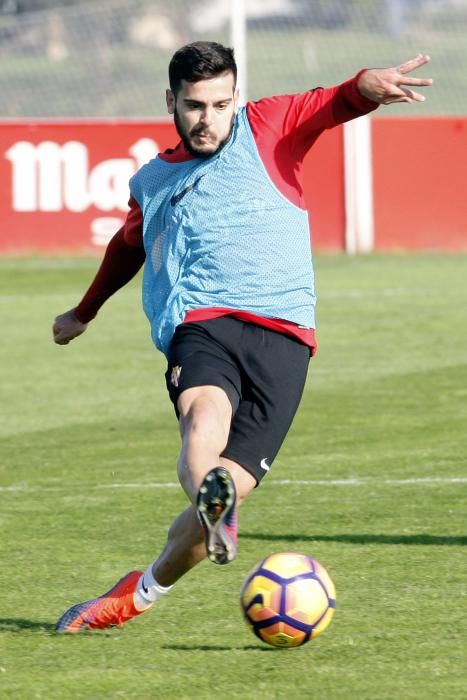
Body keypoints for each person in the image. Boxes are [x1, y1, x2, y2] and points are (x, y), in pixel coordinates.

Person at [53, 42, 432, 633]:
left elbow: (333, 102)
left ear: (238, 99)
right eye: (195, 105)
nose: (208, 119)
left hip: (285, 341)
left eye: (221, 104)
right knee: (203, 414)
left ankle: (141, 590)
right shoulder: (153, 180)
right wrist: (85, 311)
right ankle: (213, 501)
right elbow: (127, 246)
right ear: (172, 102)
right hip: (202, 324)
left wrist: (368, 86)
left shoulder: (269, 125)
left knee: (224, 497)